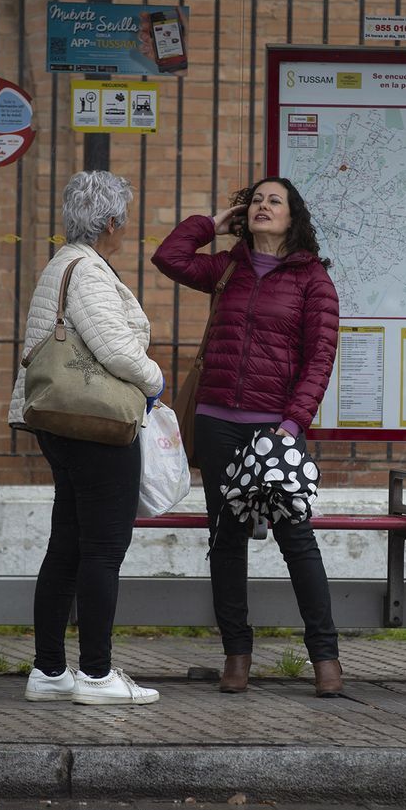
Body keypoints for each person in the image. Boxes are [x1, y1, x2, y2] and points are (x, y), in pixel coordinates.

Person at [152, 177, 343, 697]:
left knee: (296, 541)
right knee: (227, 540)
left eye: (273, 201)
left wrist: (291, 424)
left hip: (273, 429)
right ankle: (237, 655)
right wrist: (212, 224)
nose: (262, 206)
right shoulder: (228, 268)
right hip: (217, 424)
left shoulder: (313, 282)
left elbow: (319, 360)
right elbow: (169, 257)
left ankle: (325, 658)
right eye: (256, 200)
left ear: (293, 217)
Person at [9, 170, 166, 707]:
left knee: (68, 548)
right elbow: (117, 350)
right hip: (97, 429)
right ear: (112, 222)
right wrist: (155, 380)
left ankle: (50, 670)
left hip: (62, 425)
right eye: (125, 219)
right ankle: (97, 676)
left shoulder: (63, 264)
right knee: (103, 551)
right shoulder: (89, 272)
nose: (127, 228)